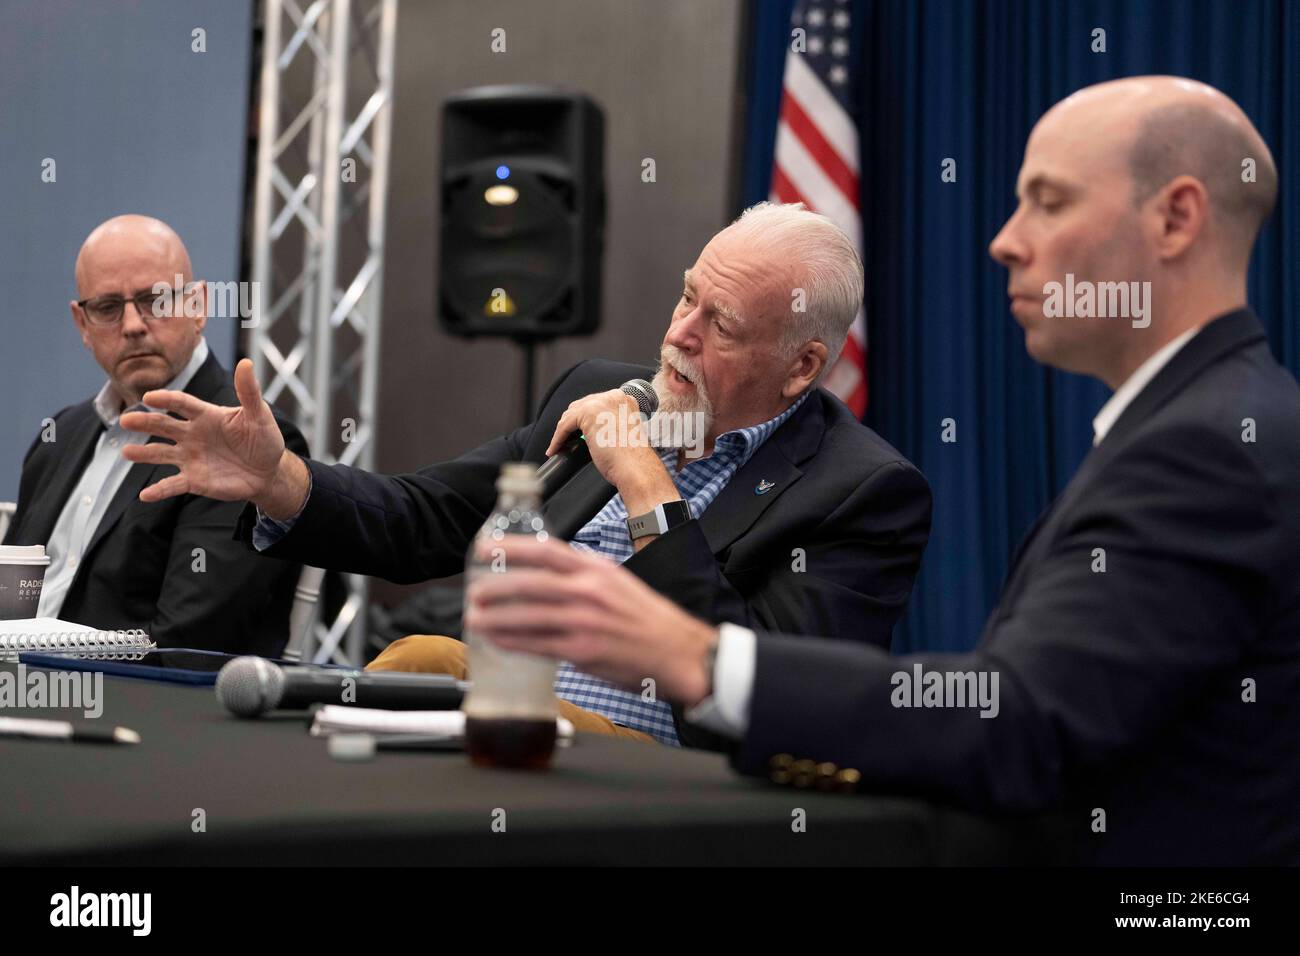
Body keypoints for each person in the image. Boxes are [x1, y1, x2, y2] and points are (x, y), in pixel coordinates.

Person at [463, 77, 1299, 865]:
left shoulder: (1207, 445)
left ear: (1177, 218)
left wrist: (703, 660)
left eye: (1049, 201)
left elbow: (1020, 725)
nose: (1006, 240)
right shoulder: (1210, 418)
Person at [118, 202, 932, 747]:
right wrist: (281, 481)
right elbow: (427, 517)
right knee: (416, 659)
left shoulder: (860, 493)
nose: (678, 334)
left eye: (719, 324)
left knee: (419, 667)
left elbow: (772, 701)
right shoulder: (597, 392)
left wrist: (648, 486)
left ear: (802, 369)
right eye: (686, 297)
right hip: (499, 733)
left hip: (648, 780)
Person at [3, 215, 308, 656]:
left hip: (128, 709)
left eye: (156, 301)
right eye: (108, 308)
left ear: (199, 305)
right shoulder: (59, 438)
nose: (132, 325)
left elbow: (188, 643)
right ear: (83, 325)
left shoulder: (245, 444)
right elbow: (7, 603)